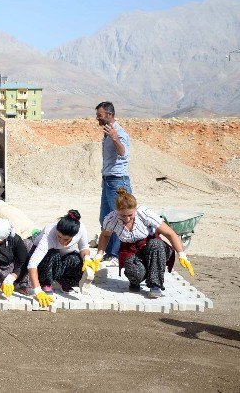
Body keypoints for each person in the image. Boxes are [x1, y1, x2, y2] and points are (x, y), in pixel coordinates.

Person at [94, 188, 195, 298]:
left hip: (150, 247)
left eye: (130, 215)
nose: (127, 219)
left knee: (156, 245)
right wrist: (99, 254)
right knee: (135, 272)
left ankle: (155, 284)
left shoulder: (144, 214)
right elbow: (105, 235)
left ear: (135, 209)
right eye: (123, 216)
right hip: (130, 251)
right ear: (117, 211)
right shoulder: (111, 219)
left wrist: (182, 254)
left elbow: (170, 233)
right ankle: (138, 278)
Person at [26, 210, 94, 308]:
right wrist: (37, 291)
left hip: (62, 260)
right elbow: (32, 264)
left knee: (78, 261)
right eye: (59, 237)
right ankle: (46, 283)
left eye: (66, 239)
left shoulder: (81, 228)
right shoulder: (49, 233)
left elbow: (84, 248)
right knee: (54, 254)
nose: (62, 242)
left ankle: (63, 280)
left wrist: (87, 258)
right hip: (45, 261)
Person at [96, 101, 132, 267]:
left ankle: (115, 254)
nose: (97, 118)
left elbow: (123, 152)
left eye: (100, 115)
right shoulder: (107, 132)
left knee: (119, 217)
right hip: (108, 181)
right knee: (105, 218)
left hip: (118, 182)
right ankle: (109, 252)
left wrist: (115, 138)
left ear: (109, 115)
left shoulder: (119, 133)